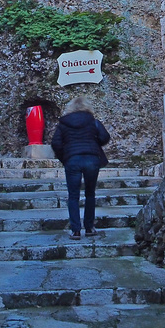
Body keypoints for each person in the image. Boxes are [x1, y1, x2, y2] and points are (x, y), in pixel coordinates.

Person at [50, 96, 111, 239]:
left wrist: (65, 157)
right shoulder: (93, 121)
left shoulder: (63, 124)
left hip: (72, 161)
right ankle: (89, 228)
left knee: (73, 195)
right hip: (91, 159)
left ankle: (75, 230)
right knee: (90, 193)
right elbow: (105, 137)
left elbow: (56, 144)